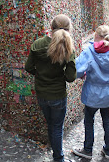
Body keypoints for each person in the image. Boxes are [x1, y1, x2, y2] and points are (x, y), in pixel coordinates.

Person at [25, 14, 76, 162]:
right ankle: (58, 158)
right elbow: (70, 77)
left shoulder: (38, 44)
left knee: (51, 125)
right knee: (57, 127)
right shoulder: (67, 47)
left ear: (51, 27)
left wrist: (39, 74)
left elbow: (28, 67)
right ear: (68, 30)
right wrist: (70, 59)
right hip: (58, 95)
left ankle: (54, 149)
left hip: (42, 94)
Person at [72, 25, 109, 160]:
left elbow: (77, 69)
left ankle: (88, 149)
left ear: (96, 37)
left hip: (92, 93)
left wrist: (85, 74)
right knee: (107, 121)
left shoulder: (89, 51)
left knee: (89, 120)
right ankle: (108, 149)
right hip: (108, 94)